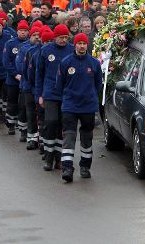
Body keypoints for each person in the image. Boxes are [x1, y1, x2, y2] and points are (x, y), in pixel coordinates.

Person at [57, 33, 102, 182]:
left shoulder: (94, 63)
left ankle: (85, 166)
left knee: (86, 137)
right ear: (75, 45)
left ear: (87, 45)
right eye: (79, 43)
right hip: (70, 106)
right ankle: (67, 168)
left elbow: (98, 85)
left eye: (84, 43)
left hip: (88, 107)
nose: (82, 46)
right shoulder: (65, 62)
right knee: (69, 137)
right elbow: (60, 84)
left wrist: (90, 97)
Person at [35, 24, 74, 171]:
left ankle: (59, 158)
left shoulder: (71, 50)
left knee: (61, 127)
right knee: (50, 123)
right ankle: (48, 157)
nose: (63, 40)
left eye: (65, 37)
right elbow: (39, 75)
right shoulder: (45, 50)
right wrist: (39, 95)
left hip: (66, 94)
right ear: (55, 37)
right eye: (60, 37)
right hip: (50, 93)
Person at [3, 20, 30, 137]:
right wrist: (15, 74)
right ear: (17, 31)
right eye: (21, 31)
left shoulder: (30, 44)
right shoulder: (10, 43)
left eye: (25, 31)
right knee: (12, 103)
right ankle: (11, 124)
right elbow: (6, 62)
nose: (23, 33)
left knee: (23, 105)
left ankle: (23, 129)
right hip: (13, 79)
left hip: (25, 79)